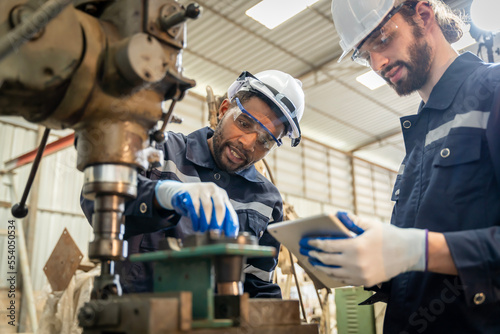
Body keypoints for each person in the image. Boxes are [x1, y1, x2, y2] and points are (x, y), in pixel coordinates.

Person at [300, 0, 500, 333]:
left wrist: (418, 249)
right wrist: (374, 262)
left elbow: (426, 250)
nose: (377, 63)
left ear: (423, 15)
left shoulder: (493, 92)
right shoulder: (418, 136)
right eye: (364, 55)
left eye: (382, 39)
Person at [81, 69, 305, 298]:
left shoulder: (267, 201)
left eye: (266, 140)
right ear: (224, 109)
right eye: (245, 123)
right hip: (135, 318)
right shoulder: (160, 152)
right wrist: (163, 195)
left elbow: (257, 287)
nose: (248, 143)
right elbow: (95, 202)